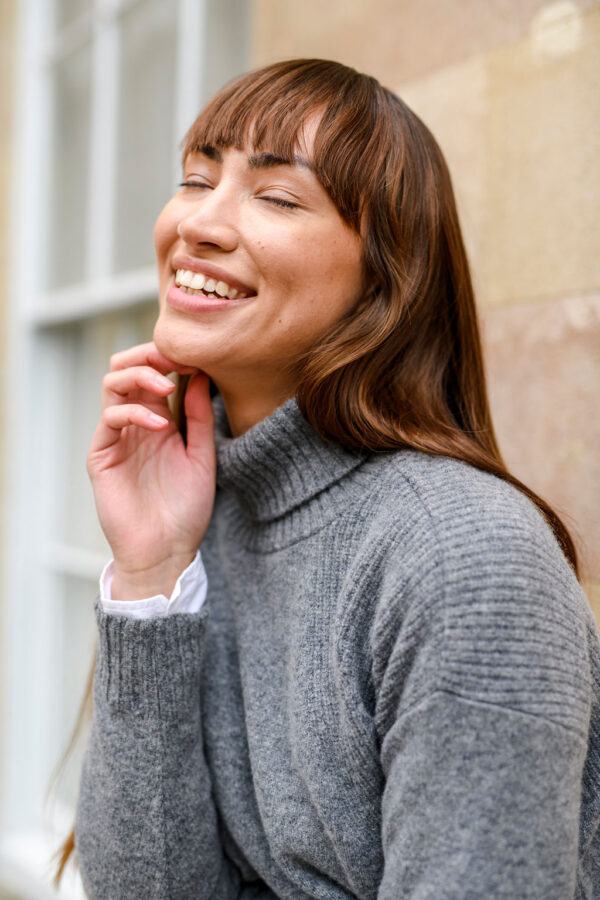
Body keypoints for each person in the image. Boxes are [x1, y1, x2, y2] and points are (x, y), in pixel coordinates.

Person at [58, 59, 600, 898]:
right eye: (196, 179)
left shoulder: (461, 558)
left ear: (385, 279)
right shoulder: (208, 515)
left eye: (276, 197)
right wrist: (149, 575)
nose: (198, 223)